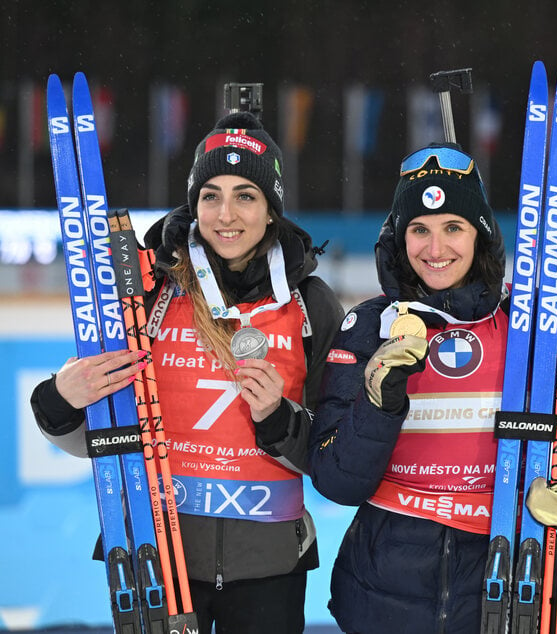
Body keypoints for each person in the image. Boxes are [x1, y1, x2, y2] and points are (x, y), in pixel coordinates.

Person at [31, 111, 344, 633]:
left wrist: (278, 420)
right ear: (194, 205)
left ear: (271, 210)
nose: (226, 214)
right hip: (158, 564)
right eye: (210, 195)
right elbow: (97, 436)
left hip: (270, 567)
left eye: (246, 195)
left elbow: (335, 450)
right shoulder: (149, 292)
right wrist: (59, 400)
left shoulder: (309, 304)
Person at [308, 143, 557, 633]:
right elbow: (337, 481)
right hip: (383, 601)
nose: (435, 248)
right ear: (398, 237)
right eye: (419, 230)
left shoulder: (531, 327)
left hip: (504, 590)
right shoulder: (369, 325)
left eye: (453, 228)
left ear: (480, 236)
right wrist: (379, 404)